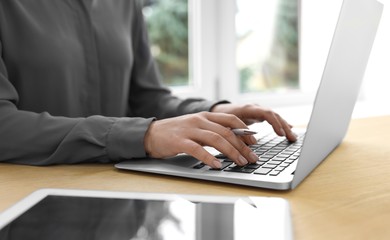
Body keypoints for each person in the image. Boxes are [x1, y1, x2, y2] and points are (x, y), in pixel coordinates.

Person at [0, 0, 296, 169]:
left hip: (115, 207)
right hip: (28, 209)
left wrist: (213, 112)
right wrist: (144, 136)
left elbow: (146, 98)